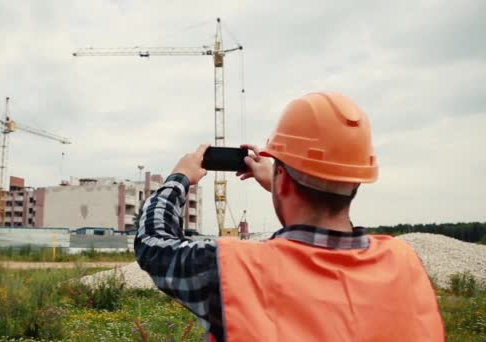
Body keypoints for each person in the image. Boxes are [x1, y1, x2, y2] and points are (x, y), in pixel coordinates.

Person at [134, 92, 444, 341]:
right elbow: (336, 233)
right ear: (358, 179)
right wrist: (282, 184)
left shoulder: (233, 269)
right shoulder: (404, 263)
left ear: (281, 179)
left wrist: (179, 178)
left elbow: (152, 243)